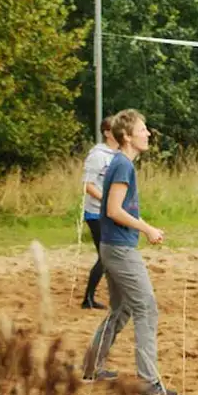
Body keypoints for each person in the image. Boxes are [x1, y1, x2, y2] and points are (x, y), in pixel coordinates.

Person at [81, 109, 177, 395]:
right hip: (120, 250)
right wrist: (146, 228)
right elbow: (112, 210)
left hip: (114, 246)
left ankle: (91, 367)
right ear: (126, 136)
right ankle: (149, 383)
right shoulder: (123, 165)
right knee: (146, 307)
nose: (148, 133)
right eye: (142, 129)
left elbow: (116, 207)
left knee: (121, 309)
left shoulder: (121, 163)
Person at [80, 116, 118, 309]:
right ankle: (87, 299)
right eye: (116, 128)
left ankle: (94, 297)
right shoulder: (98, 155)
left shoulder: (118, 155)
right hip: (96, 214)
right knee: (105, 256)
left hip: (111, 212)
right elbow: (88, 185)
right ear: (107, 132)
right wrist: (107, 201)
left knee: (110, 255)